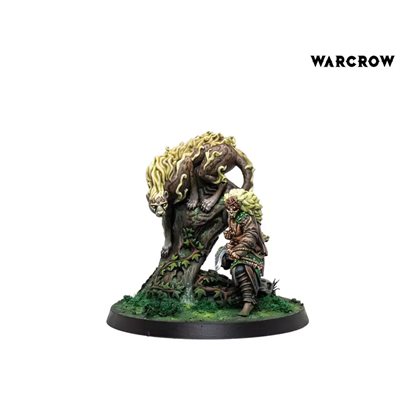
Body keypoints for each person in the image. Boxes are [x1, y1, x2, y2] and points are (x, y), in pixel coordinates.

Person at [219, 188, 268, 316]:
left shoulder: (246, 218)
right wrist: (230, 236)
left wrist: (239, 251)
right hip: (236, 248)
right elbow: (236, 233)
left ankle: (249, 301)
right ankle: (237, 292)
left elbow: (251, 235)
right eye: (228, 208)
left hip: (252, 252)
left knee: (241, 269)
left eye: (234, 208)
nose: (231, 211)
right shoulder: (232, 218)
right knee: (223, 258)